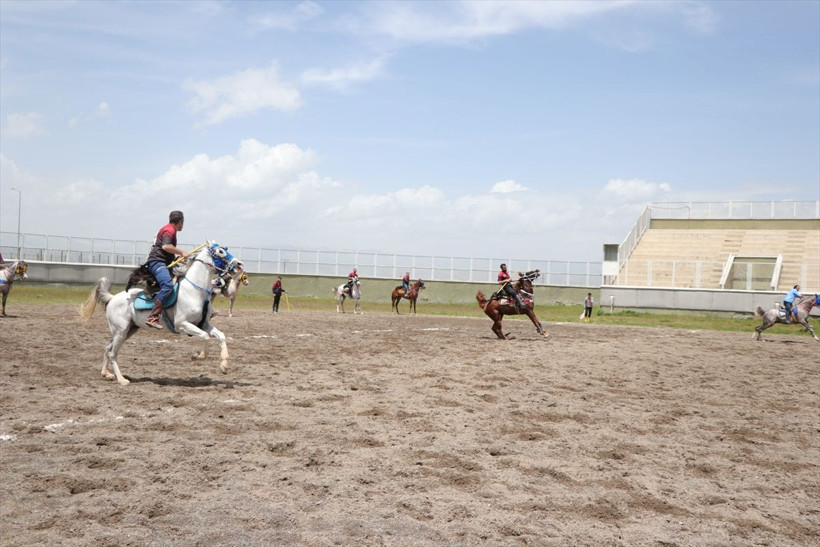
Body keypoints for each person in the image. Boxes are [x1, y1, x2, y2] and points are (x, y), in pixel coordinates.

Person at [145, 211, 188, 329]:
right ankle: (152, 317)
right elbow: (166, 246)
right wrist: (182, 252)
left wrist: (178, 258)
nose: (183, 225)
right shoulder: (170, 230)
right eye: (183, 222)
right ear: (180, 222)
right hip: (157, 262)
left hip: (163, 262)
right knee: (168, 285)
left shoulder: (168, 228)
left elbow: (166, 250)